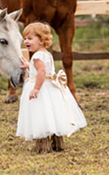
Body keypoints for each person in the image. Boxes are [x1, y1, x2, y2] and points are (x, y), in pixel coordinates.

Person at [16, 22, 87, 152]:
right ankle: (58, 142)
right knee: (53, 114)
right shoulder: (46, 54)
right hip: (51, 88)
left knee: (40, 114)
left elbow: (42, 72)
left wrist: (36, 88)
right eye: (25, 38)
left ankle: (42, 145)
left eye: (30, 38)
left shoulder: (37, 57)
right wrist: (30, 66)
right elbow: (44, 69)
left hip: (42, 88)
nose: (26, 41)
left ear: (42, 40)